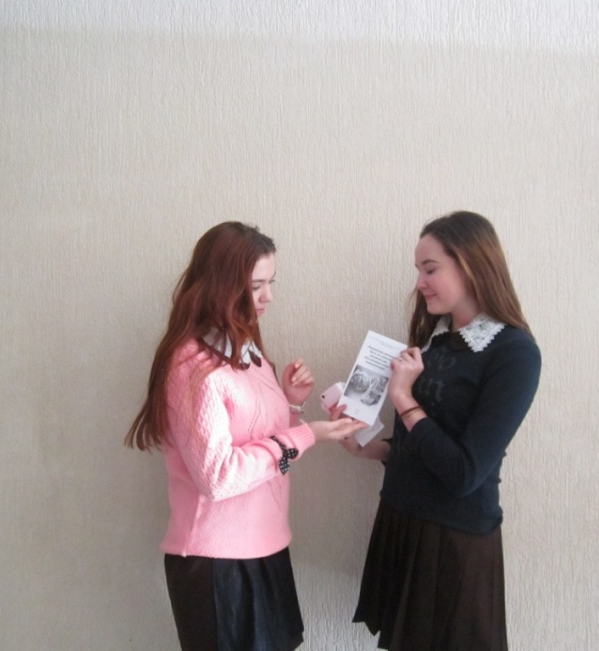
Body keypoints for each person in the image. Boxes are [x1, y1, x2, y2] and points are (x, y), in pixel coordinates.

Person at [125, 221, 364, 651]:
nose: (268, 296)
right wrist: (306, 434)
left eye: (271, 283)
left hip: (265, 545)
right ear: (220, 286)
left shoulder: (248, 353)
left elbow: (264, 451)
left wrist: (291, 405)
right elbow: (219, 477)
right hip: (217, 562)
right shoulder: (192, 366)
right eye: (256, 286)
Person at [341, 211, 541, 650]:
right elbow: (427, 442)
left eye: (430, 269)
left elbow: (464, 472)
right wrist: (373, 449)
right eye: (419, 270)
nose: (420, 283)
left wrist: (403, 397)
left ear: (471, 265)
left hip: (452, 539)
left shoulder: (514, 353)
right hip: (403, 520)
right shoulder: (436, 338)